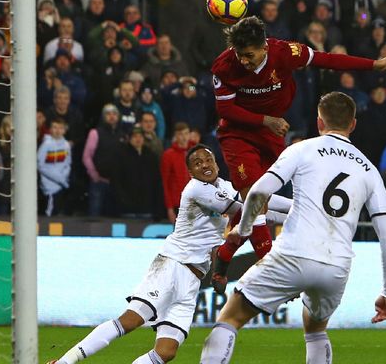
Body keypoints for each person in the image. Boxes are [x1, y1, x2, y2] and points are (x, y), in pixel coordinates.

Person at [200, 92, 386, 363]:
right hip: (336, 266)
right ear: (353, 124)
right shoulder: (369, 170)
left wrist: (242, 231)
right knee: (315, 327)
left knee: (230, 317)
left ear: (319, 122)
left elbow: (258, 193)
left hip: (293, 253)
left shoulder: (302, 149)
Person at [209, 16, 386, 292]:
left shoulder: (285, 53)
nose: (244, 62)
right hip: (238, 132)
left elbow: (328, 60)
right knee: (255, 193)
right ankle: (270, 271)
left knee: (256, 203)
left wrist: (374, 65)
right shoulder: (224, 65)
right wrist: (266, 119)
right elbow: (225, 110)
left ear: (264, 47)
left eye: (249, 56)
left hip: (272, 131)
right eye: (240, 56)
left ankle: (225, 254)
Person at [48, 144, 290, 364]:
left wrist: (299, 209)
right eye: (197, 163)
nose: (204, 165)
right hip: (171, 265)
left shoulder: (225, 187)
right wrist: (284, 209)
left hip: (193, 278)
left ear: (216, 163)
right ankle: (64, 362)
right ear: (190, 172)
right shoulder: (196, 190)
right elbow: (249, 208)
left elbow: (262, 202)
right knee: (131, 320)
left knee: (166, 351)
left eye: (208, 160)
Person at [38, 118, 72, 216]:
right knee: (49, 212)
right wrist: (59, 178)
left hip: (61, 185)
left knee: (57, 211)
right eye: (55, 127)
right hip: (49, 185)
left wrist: (63, 177)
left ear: (65, 130)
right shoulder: (46, 144)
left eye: (60, 128)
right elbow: (40, 165)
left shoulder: (66, 145)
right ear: (50, 129)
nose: (57, 130)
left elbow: (68, 163)